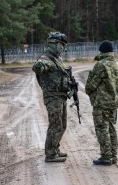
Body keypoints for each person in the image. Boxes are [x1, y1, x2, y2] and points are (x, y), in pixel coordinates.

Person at [32, 32, 70, 162]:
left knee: (62, 125)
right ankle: (50, 154)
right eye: (61, 45)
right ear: (53, 44)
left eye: (64, 45)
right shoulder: (47, 58)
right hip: (53, 97)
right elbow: (38, 67)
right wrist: (40, 66)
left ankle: (55, 149)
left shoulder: (57, 59)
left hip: (61, 96)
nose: (62, 48)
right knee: (55, 124)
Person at [85, 40, 118, 165]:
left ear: (101, 51)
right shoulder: (117, 65)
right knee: (112, 128)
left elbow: (90, 86)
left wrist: (90, 91)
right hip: (113, 103)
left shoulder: (101, 65)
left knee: (102, 128)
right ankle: (113, 155)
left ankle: (106, 156)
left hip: (101, 103)